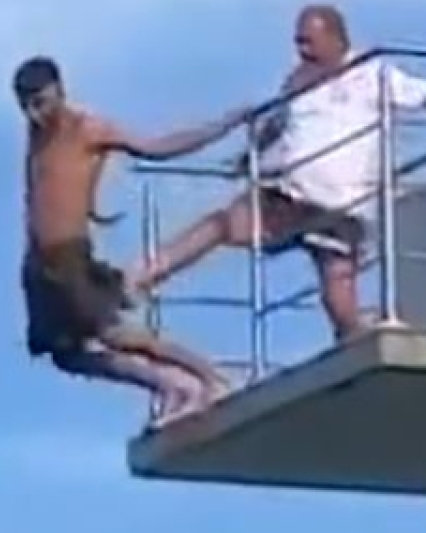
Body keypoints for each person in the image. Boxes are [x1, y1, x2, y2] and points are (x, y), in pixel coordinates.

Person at [124, 4, 426, 342]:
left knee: (337, 291)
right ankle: (139, 277)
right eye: (298, 42)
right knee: (221, 224)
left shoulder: (373, 72)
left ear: (335, 38)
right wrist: (249, 156)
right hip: (291, 192)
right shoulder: (297, 81)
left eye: (308, 41)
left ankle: (355, 344)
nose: (302, 50)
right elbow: (277, 124)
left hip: (342, 203)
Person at [14, 55, 250, 428]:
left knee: (114, 333)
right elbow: (37, 193)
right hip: (40, 262)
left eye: (39, 103)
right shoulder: (36, 137)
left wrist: (222, 126)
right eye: (25, 106)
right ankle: (167, 386)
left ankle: (211, 376)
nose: (33, 114)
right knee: (65, 353)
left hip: (70, 254)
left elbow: (158, 147)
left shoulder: (88, 128)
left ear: (59, 91)